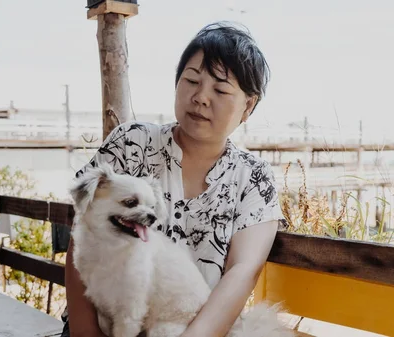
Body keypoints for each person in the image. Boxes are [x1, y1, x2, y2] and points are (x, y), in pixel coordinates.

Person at [62, 21, 284, 337]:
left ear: (248, 105)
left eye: (220, 90)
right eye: (192, 80)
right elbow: (82, 234)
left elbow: (243, 270)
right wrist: (85, 334)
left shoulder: (254, 178)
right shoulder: (131, 142)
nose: (201, 97)